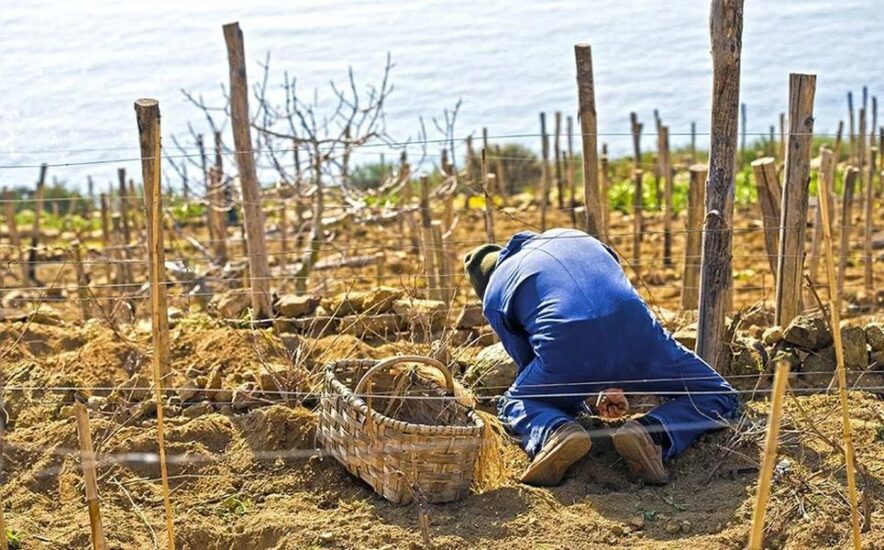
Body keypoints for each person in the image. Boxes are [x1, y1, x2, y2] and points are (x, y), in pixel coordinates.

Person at [463, 228, 739, 486]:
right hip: (640, 334)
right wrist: (609, 380)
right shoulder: (572, 236)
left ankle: (554, 431)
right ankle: (653, 433)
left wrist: (577, 393)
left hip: (567, 349)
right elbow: (603, 294)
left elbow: (531, 365)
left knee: (518, 400)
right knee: (717, 393)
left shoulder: (496, 290)